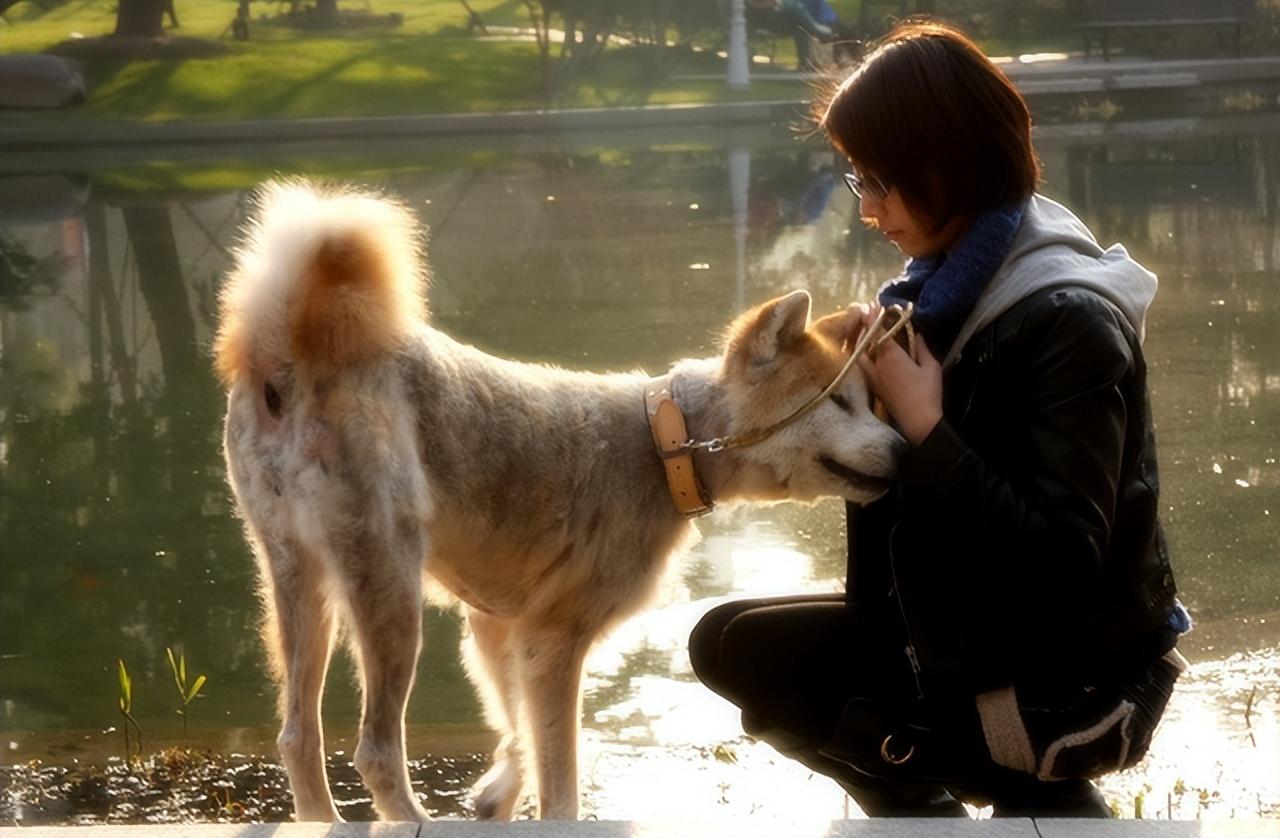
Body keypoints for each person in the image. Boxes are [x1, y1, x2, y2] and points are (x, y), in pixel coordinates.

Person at [688, 20, 1190, 818]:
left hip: (1068, 676)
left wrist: (926, 426)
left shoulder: (1067, 318)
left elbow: (1064, 564)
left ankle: (986, 786)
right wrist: (865, 392)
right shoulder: (947, 286)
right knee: (724, 642)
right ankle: (928, 799)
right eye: (858, 181)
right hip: (976, 626)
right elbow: (903, 526)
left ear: (948, 165)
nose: (868, 211)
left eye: (879, 183)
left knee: (763, 662)